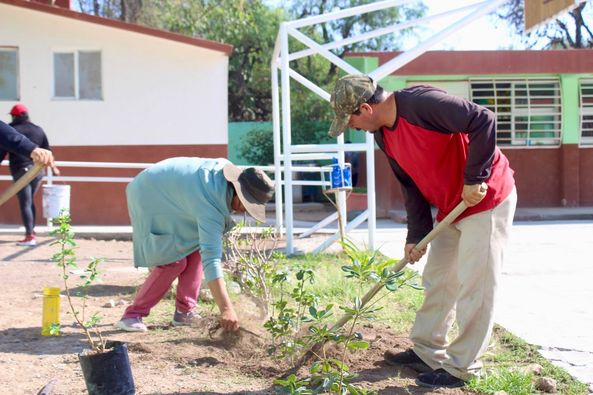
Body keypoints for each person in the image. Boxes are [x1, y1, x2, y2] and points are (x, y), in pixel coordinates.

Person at [328, 75, 517, 388]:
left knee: (476, 285)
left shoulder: (420, 104)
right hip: (450, 206)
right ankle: (427, 351)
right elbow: (410, 183)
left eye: (350, 120)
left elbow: (483, 119)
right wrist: (415, 235)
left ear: (365, 108)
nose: (351, 127)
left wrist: (474, 178)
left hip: (485, 199)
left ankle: (462, 367)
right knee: (438, 279)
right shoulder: (383, 136)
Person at [115, 157, 274, 333]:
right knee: (172, 260)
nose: (245, 210)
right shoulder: (211, 204)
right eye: (247, 203)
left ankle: (185, 311)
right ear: (237, 191)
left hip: (173, 192)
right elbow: (212, 260)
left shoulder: (223, 184)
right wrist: (227, 309)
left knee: (196, 247)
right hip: (148, 193)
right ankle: (132, 315)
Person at [2, 104, 59, 246]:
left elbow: (2, 150)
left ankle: (29, 235)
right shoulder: (38, 130)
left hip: (20, 170)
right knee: (30, 201)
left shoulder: (11, 129)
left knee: (25, 203)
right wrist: (54, 167)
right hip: (37, 171)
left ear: (14, 116)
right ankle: (32, 232)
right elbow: (46, 151)